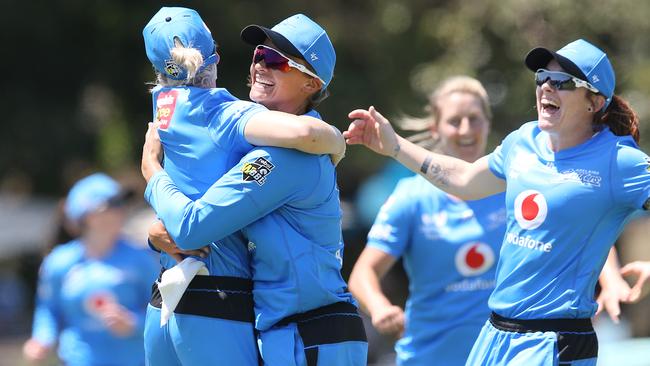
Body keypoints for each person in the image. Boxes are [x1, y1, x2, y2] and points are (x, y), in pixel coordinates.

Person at [344, 39, 650, 365]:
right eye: (542, 77)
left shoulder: (620, 161)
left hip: (553, 340)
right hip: (494, 335)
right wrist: (395, 146)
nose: (547, 86)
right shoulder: (523, 141)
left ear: (595, 101)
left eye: (562, 82)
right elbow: (464, 180)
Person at [142, 13, 368, 366]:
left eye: (278, 61)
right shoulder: (252, 139)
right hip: (287, 331)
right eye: (260, 54)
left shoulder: (287, 156)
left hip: (311, 331)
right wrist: (158, 231)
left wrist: (151, 172)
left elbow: (192, 226)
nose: (262, 65)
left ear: (312, 84)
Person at [348, 76, 507, 365]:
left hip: (502, 357)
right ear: (435, 128)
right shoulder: (411, 196)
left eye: (474, 119)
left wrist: (607, 278)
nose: (466, 129)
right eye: (454, 120)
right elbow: (362, 274)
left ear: (488, 122)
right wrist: (380, 307)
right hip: (427, 357)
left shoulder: (512, 188)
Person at [22, 173, 158, 366]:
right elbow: (49, 309)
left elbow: (163, 311)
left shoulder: (142, 258)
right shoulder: (59, 262)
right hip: (78, 360)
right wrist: (41, 340)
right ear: (85, 216)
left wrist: (134, 323)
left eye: (120, 203)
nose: (118, 211)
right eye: (109, 205)